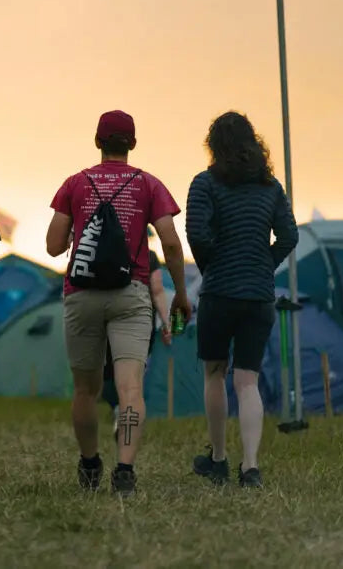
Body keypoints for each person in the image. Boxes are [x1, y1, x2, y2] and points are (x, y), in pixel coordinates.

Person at [46, 110, 191, 497]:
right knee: (130, 389)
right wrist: (179, 292)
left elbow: (54, 245)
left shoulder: (75, 183)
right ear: (133, 144)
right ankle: (124, 469)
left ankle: (90, 462)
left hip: (82, 296)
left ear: (97, 141)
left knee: (85, 390)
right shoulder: (148, 184)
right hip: (132, 295)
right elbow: (171, 242)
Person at [187, 111, 298, 489]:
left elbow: (197, 234)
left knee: (214, 374)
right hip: (259, 296)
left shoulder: (204, 184)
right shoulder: (271, 187)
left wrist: (212, 267)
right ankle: (250, 467)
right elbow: (289, 236)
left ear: (215, 146)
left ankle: (218, 459)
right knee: (247, 381)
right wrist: (263, 264)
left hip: (219, 293)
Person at [102, 248, 171, 416]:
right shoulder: (149, 255)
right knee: (136, 367)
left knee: (110, 367)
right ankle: (128, 407)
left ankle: (118, 406)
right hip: (142, 319)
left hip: (111, 316)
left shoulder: (106, 250)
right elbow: (157, 290)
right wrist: (166, 322)